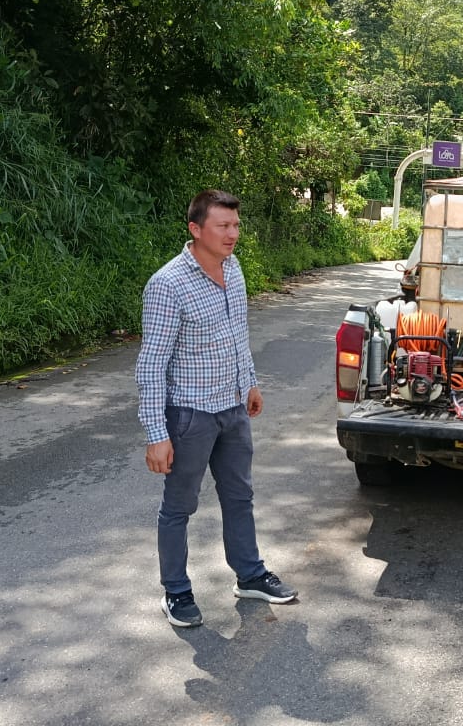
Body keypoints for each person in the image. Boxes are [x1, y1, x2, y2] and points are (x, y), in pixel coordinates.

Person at [136, 189, 297, 627]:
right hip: (190, 415)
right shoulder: (168, 285)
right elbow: (151, 365)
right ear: (195, 229)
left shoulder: (234, 267)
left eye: (236, 225)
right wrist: (157, 434)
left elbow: (237, 331)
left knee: (240, 495)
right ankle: (176, 592)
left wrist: (250, 382)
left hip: (233, 410)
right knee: (179, 507)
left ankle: (250, 574)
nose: (233, 234)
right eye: (223, 225)